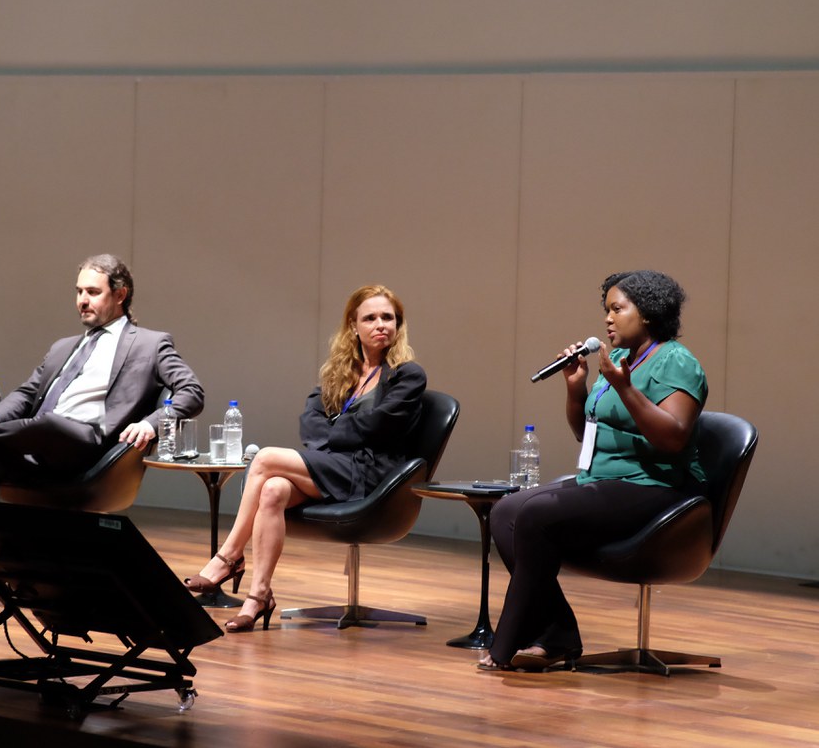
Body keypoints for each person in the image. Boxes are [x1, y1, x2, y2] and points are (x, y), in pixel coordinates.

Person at [0, 253, 204, 598]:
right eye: (79, 291)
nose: (82, 300)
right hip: (38, 440)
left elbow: (192, 391)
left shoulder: (150, 343)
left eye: (93, 292)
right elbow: (26, 393)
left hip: (92, 447)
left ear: (120, 294)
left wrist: (153, 423)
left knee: (45, 425)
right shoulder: (63, 347)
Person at [479, 270, 708, 672]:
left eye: (618, 309)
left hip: (654, 486)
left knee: (535, 515)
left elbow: (673, 438)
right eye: (606, 310)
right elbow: (586, 435)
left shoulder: (677, 362)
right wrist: (575, 388)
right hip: (602, 481)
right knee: (505, 511)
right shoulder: (617, 360)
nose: (608, 319)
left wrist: (625, 390)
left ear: (649, 313)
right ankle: (558, 635)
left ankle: (506, 644)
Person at [184, 285, 426, 632]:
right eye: (370, 317)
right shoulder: (338, 373)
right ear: (353, 325)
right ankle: (259, 596)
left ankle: (228, 558)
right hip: (334, 465)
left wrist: (338, 430)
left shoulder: (407, 375)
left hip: (372, 474)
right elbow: (310, 424)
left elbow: (378, 428)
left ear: (398, 325)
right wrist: (344, 430)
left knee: (266, 459)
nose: (380, 325)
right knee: (273, 490)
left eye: (388, 317)